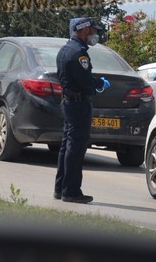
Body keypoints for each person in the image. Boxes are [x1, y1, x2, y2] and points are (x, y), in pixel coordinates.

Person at [53, 17, 110, 204]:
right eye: (92, 30)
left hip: (69, 102)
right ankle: (71, 192)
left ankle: (60, 188)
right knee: (75, 148)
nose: (94, 34)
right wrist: (99, 83)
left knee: (66, 146)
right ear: (83, 30)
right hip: (78, 104)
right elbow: (85, 82)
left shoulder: (65, 50)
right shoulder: (79, 53)